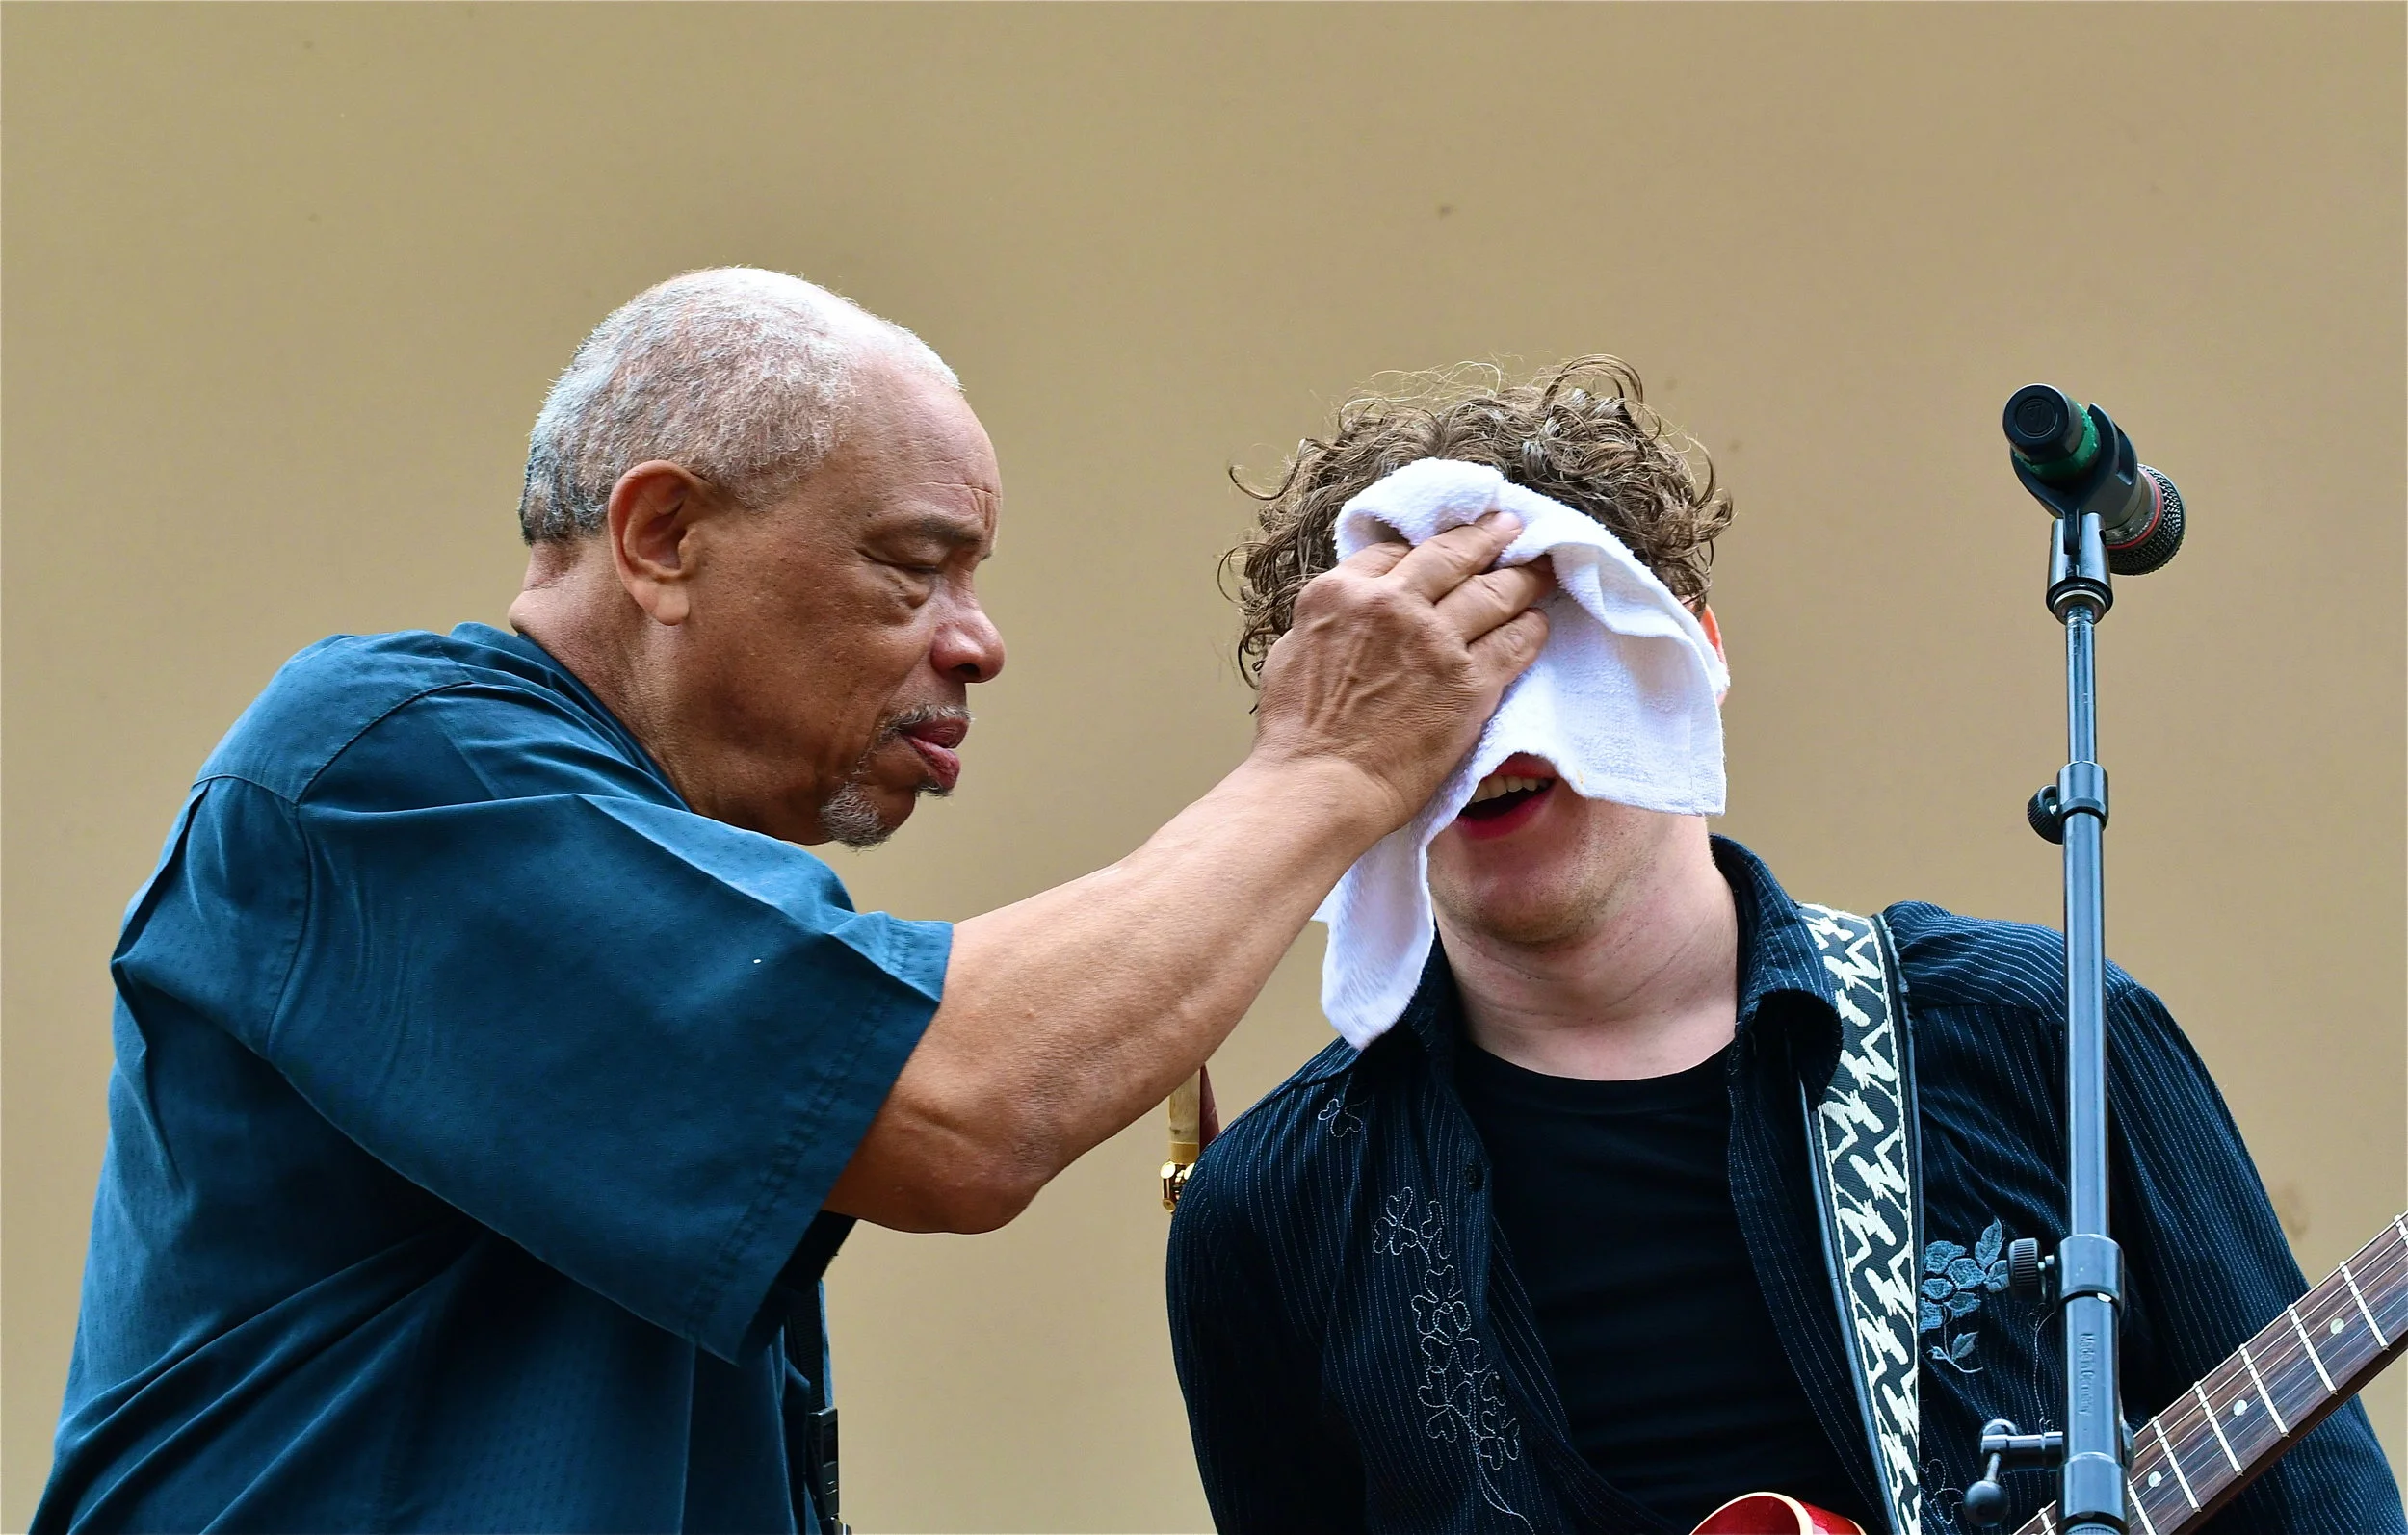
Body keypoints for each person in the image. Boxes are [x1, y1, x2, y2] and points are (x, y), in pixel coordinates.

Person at [35, 268, 1555, 1534]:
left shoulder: (656, 894)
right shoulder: (376, 766)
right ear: (661, 539)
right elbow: (967, 1103)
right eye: (914, 565)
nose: (980, 642)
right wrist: (1329, 765)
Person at [1165, 357, 2405, 1535]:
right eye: (1416, 686)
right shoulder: (1269, 1209)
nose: (1487, 730)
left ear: (1696, 652)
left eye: (1544, 645)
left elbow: (2328, 1512)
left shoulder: (2037, 1025)